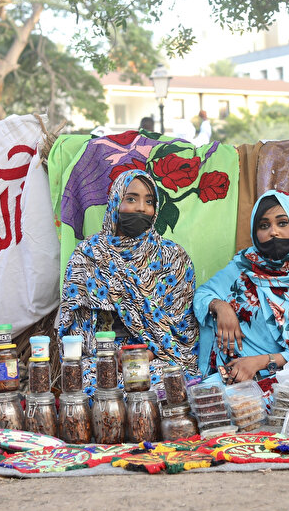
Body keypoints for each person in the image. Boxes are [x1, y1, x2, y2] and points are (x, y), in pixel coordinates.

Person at [57, 169, 199, 395]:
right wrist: (109, 355)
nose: (141, 208)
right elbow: (74, 327)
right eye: (131, 199)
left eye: (149, 201)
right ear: (115, 202)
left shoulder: (173, 258)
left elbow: (181, 329)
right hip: (101, 358)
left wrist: (143, 354)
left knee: (167, 392)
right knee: (96, 394)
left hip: (157, 356)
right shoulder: (88, 255)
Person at [194, 190, 289, 385]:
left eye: (282, 223)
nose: (273, 232)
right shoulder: (245, 264)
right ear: (255, 232)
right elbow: (203, 294)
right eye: (264, 225)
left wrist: (261, 362)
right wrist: (220, 307)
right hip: (237, 376)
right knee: (207, 402)